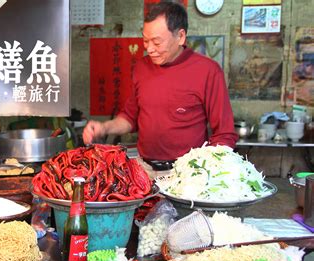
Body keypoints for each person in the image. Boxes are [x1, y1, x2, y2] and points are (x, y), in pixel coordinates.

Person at [83, 2, 238, 166]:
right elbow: (130, 117)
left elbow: (224, 134)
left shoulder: (208, 71)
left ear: (180, 37)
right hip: (145, 168)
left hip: (187, 174)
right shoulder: (142, 67)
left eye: (156, 42)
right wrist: (104, 128)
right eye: (145, 40)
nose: (149, 49)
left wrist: (207, 172)